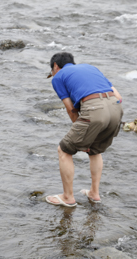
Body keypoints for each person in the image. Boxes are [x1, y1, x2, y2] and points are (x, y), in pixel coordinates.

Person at [45, 52, 123, 207]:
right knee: (94, 150)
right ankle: (94, 193)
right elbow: (119, 96)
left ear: (55, 66)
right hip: (116, 108)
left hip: (94, 109)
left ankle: (67, 197)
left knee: (64, 150)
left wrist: (80, 127)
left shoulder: (58, 77)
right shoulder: (90, 68)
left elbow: (71, 109)